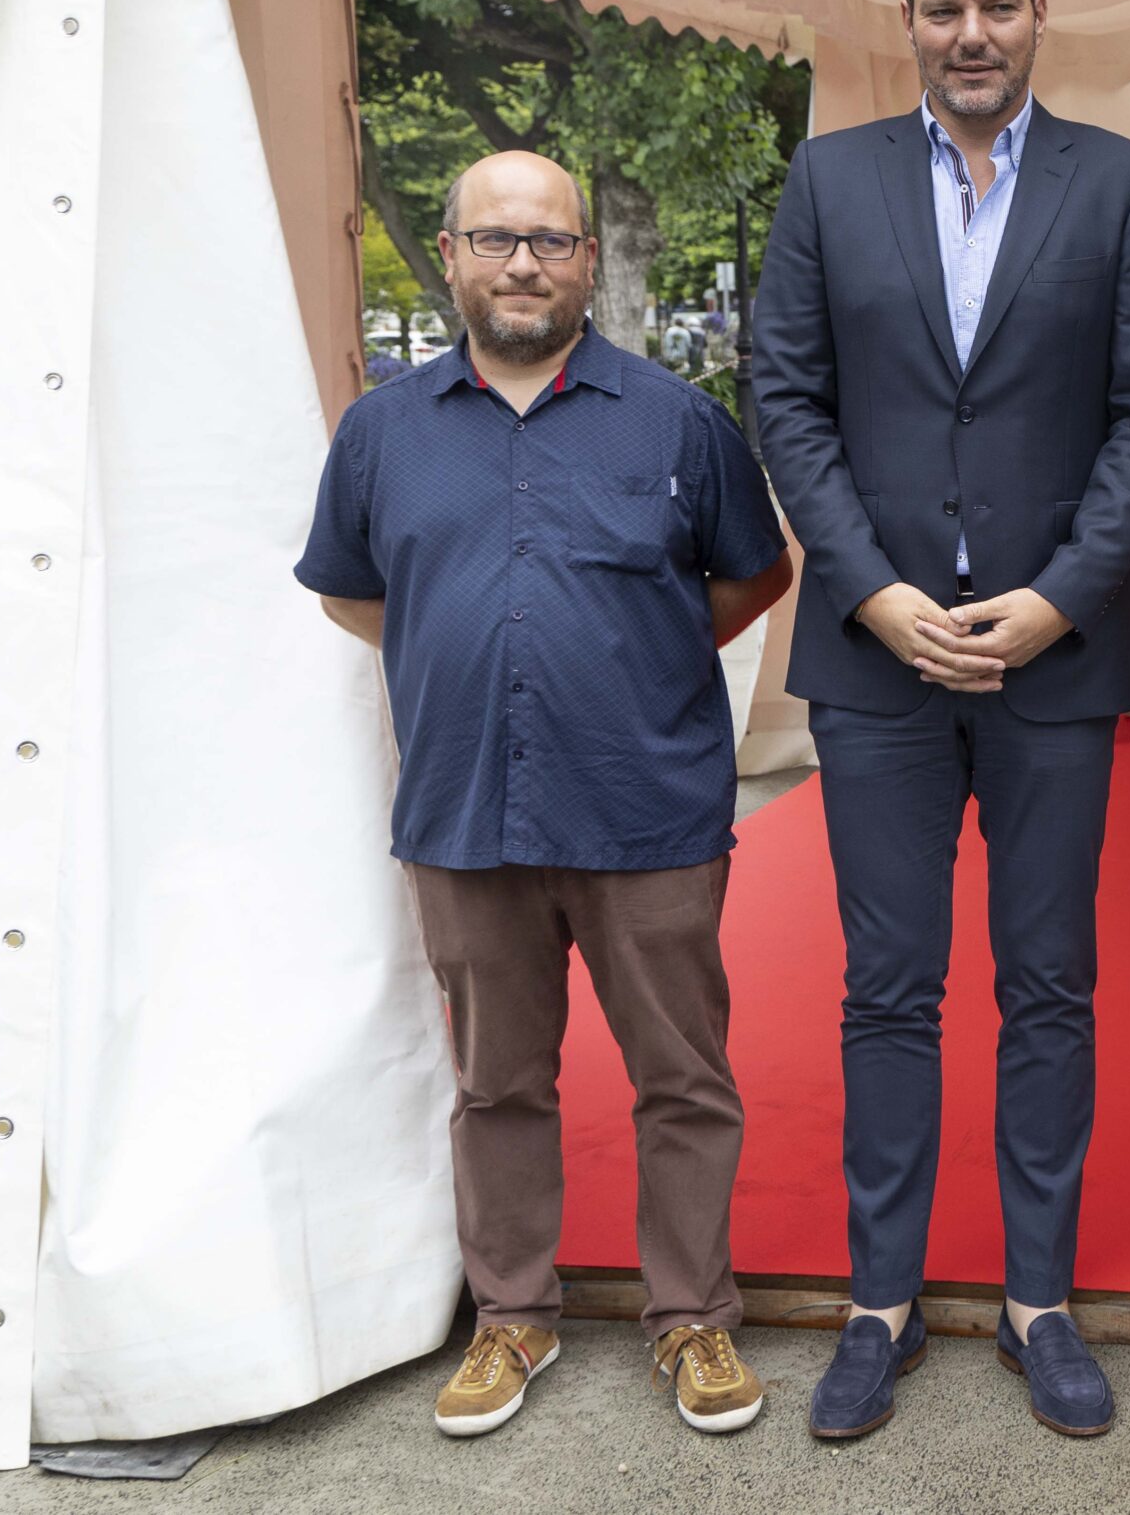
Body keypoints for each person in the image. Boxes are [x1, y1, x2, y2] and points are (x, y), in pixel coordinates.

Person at [747, 0, 1130, 1442]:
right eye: (943, 12)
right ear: (910, 21)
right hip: (880, 667)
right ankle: (880, 1305)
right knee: (886, 984)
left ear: (1039, 11)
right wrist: (869, 594)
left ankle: (1039, 1301)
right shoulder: (828, 179)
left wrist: (1058, 601)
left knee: (1050, 982)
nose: (971, 35)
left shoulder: (1121, 185)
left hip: (1052, 663)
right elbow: (785, 395)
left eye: (996, 7)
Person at [293, 150, 792, 1438]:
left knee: (683, 1080)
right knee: (497, 1085)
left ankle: (693, 1321)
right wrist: (461, 650)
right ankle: (513, 1315)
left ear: (588, 262)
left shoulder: (677, 421)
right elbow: (357, 594)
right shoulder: (381, 433)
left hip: (647, 810)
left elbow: (749, 576)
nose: (524, 263)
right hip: (466, 815)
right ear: (449, 255)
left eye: (551, 241)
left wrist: (631, 666)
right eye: (497, 238)